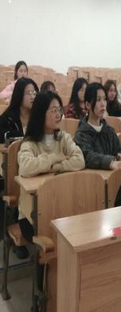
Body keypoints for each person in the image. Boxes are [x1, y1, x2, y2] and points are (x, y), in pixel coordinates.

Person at [18, 91, 84, 242]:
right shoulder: (29, 143)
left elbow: (79, 160)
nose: (58, 114)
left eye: (59, 110)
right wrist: (54, 157)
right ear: (41, 113)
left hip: (60, 205)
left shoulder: (63, 137)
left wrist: (54, 167)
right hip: (32, 214)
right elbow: (26, 168)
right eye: (53, 110)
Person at [74, 82, 121, 170]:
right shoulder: (81, 134)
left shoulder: (110, 131)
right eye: (98, 100)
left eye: (104, 99)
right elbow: (87, 156)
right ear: (88, 105)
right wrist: (110, 162)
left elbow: (118, 152)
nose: (103, 104)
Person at [0, 78, 38, 142]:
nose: (32, 97)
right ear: (19, 95)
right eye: (28, 93)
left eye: (34, 93)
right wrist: (24, 132)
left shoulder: (39, 116)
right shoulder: (8, 118)